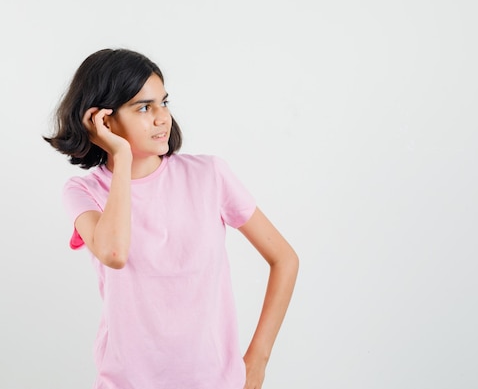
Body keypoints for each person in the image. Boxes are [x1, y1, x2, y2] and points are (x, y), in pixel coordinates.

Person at [44, 48, 299, 389]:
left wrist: (258, 358)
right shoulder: (83, 192)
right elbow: (114, 254)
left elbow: (284, 258)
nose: (162, 117)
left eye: (164, 103)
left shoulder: (209, 175)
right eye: (144, 107)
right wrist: (120, 156)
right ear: (104, 120)